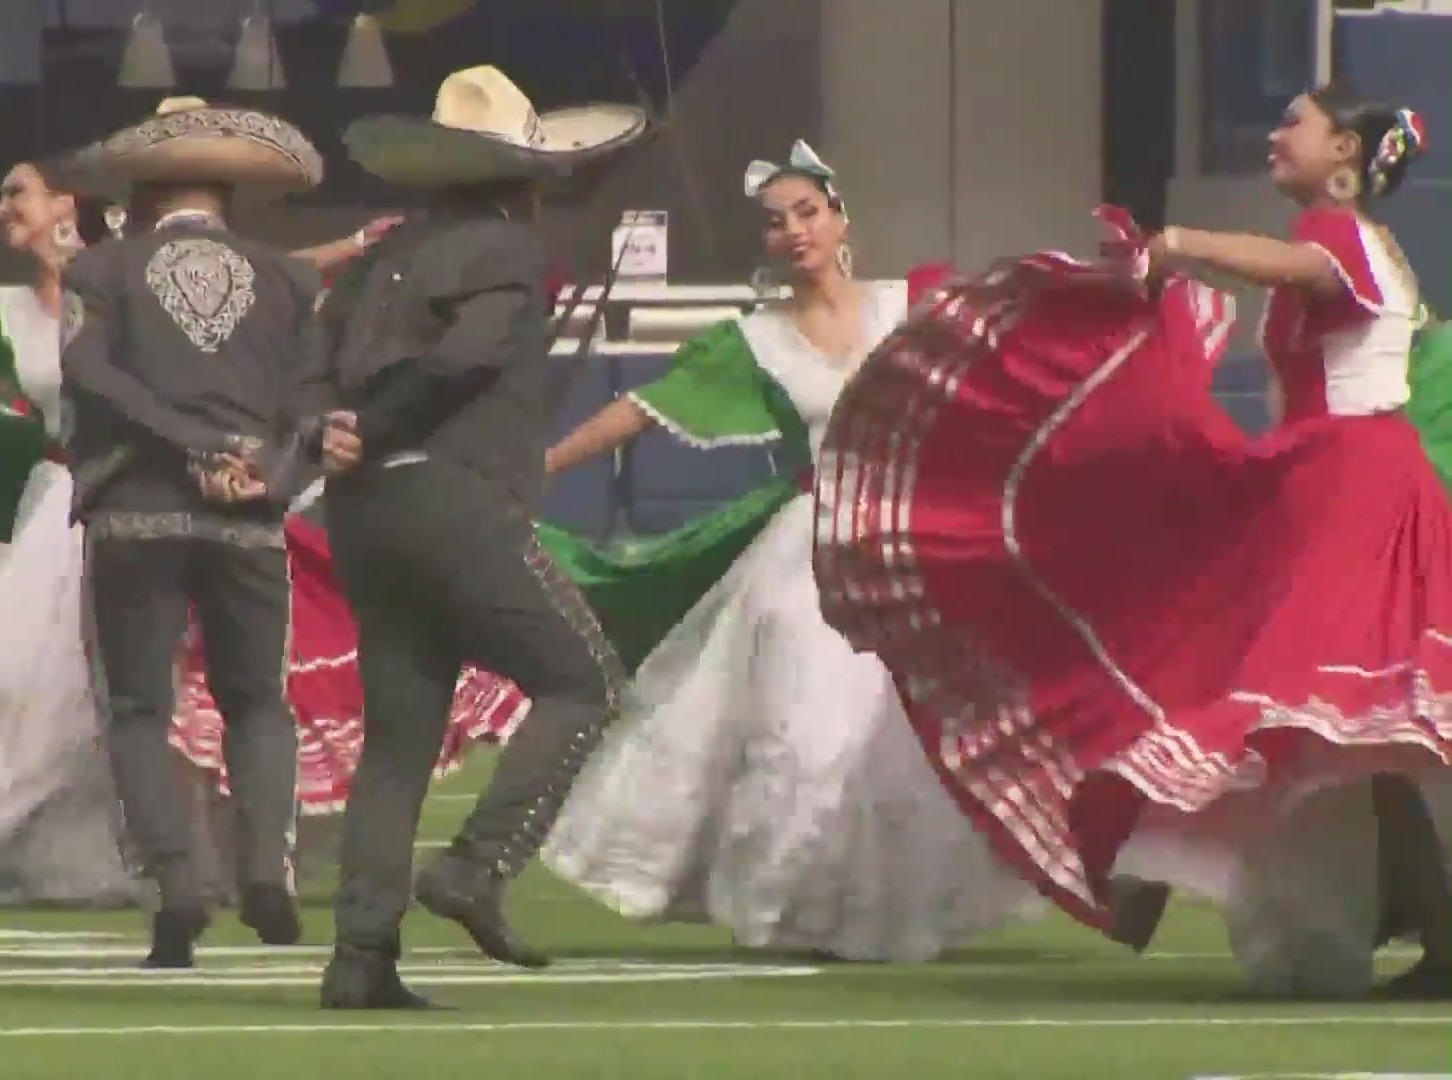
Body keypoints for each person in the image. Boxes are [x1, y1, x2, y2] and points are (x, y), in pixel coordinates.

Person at [813, 84, 1449, 998]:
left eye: (1295, 124)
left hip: (1356, 488)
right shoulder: (1338, 239)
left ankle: (1151, 856)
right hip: (1330, 480)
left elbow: (1293, 269)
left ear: (1344, 151)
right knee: (1356, 733)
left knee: (1317, 711)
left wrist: (1182, 243)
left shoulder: (1337, 238)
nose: (1275, 134)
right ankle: (1381, 920)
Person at [0, 146, 524, 908]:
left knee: (172, 692)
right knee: (25, 690)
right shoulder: (20, 313)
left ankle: (201, 861)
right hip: (79, 501)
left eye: (19, 194)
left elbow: (245, 280)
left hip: (150, 497)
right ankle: (119, 853)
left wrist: (345, 256)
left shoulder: (124, 275)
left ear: (69, 204)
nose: (4, 209)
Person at [536, 143, 1038, 960]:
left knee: (897, 745)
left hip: (907, 550)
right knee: (804, 729)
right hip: (807, 552)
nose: (794, 231)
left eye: (807, 212)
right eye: (776, 223)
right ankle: (783, 906)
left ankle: (880, 913)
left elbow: (1002, 370)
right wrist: (543, 464)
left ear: (840, 218)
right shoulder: (755, 338)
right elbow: (643, 406)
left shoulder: (907, 307)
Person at [312, 65, 647, 1009]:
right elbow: (469, 358)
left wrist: (330, 432)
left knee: (398, 744)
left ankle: (361, 959)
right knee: (584, 678)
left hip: (365, 514)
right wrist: (380, 425)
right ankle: (477, 866)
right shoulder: (504, 254)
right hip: (452, 502)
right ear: (523, 176)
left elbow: (311, 366)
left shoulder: (382, 259)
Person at [59, 97, 333, 968]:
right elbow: (316, 404)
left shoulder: (102, 273)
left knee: (140, 705)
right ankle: (266, 870)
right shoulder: (290, 279)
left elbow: (85, 372)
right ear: (230, 193)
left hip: (135, 507)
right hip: (247, 517)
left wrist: (185, 442)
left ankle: (175, 881)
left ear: (140, 192)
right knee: (258, 700)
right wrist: (267, 476)